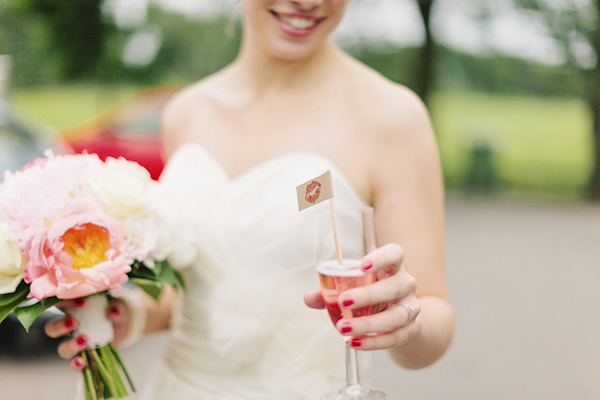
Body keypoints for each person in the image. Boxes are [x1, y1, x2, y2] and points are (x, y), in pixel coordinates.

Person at [45, 0, 454, 398]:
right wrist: (131, 315)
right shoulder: (186, 113)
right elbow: (199, 283)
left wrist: (405, 324)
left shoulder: (392, 117)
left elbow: (433, 314)